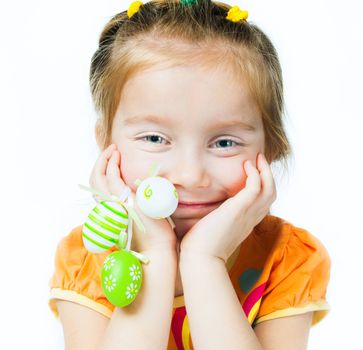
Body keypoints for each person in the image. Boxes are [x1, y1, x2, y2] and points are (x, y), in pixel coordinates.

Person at [48, 0, 331, 349]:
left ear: (271, 148)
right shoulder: (87, 258)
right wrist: (153, 251)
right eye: (154, 138)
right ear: (107, 147)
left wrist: (203, 261)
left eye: (225, 142)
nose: (190, 175)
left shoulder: (285, 257)